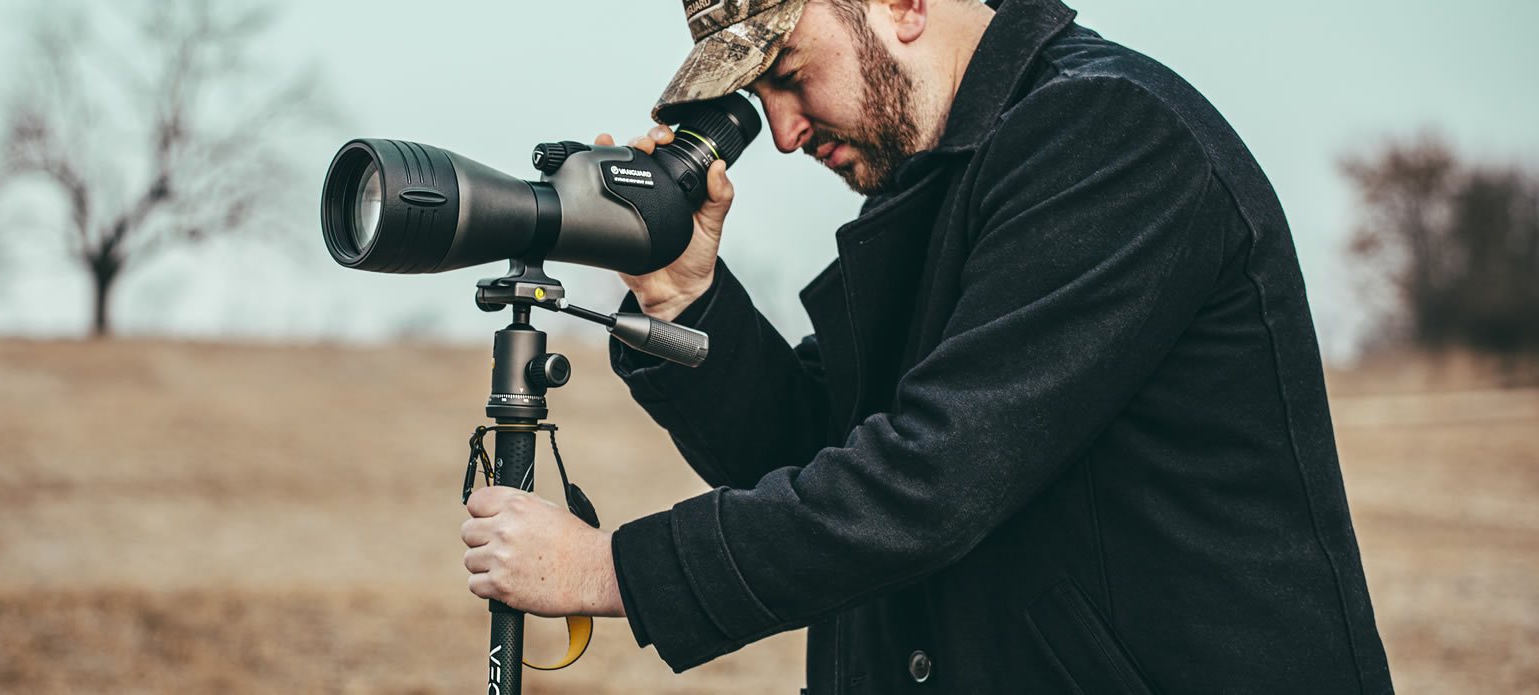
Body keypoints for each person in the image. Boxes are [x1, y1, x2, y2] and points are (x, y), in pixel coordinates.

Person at [458, 0, 1394, 691]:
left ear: (902, 6)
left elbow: (929, 480)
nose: (781, 133)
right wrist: (686, 298)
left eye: (786, 72)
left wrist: (610, 569)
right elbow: (820, 455)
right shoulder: (946, 190)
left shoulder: (1111, 138)